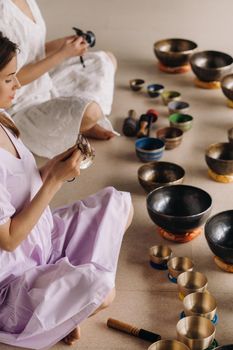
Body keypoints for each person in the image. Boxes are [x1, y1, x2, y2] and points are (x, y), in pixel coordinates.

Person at [0, 32, 133, 349]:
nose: (18, 85)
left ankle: (64, 309)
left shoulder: (3, 119)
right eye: (8, 79)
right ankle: (57, 314)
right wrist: (56, 181)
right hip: (13, 280)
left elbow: (20, 179)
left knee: (118, 204)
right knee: (102, 289)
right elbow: (9, 239)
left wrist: (51, 168)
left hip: (41, 242)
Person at [0, 0, 119, 159]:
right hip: (18, 105)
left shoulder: (27, 1)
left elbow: (32, 48)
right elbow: (10, 77)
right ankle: (79, 124)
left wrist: (64, 45)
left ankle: (75, 123)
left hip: (45, 83)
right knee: (91, 112)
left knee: (106, 61)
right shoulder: (2, 10)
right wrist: (62, 54)